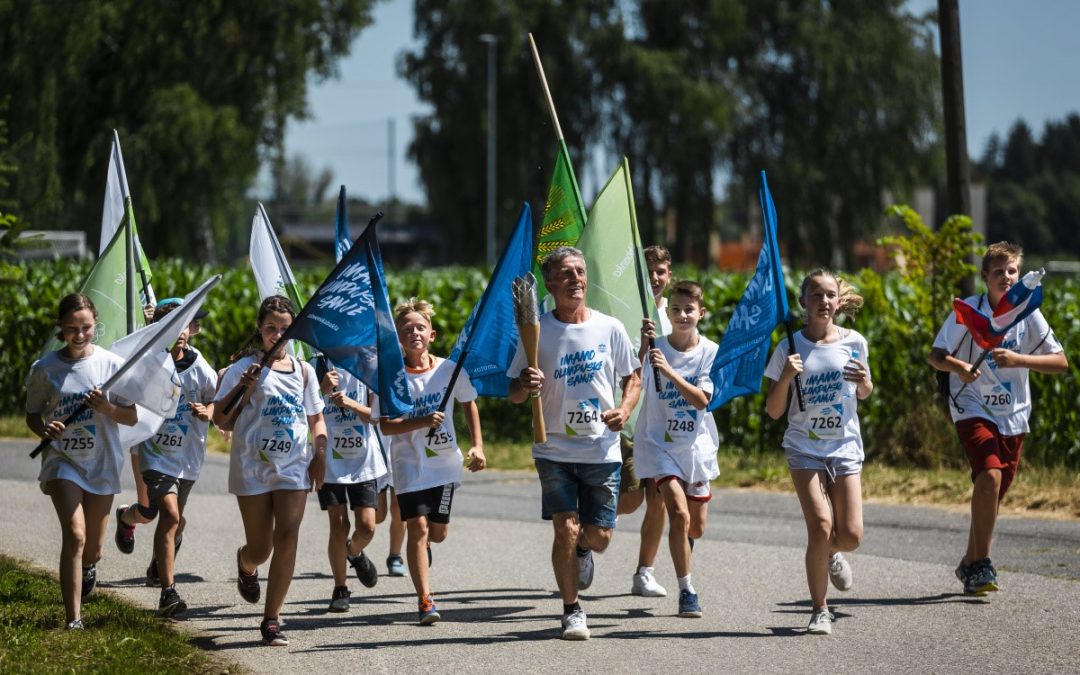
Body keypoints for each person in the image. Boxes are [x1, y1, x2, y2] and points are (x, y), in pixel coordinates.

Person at [508, 246, 642, 640]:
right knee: (564, 527)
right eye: (565, 273)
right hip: (553, 449)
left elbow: (632, 377)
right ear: (549, 284)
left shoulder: (609, 327)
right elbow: (513, 391)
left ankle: (583, 550)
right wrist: (523, 384)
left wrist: (624, 409)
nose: (575, 279)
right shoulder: (537, 330)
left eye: (580, 272)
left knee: (598, 537)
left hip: (601, 448)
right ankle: (572, 610)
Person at [929, 242, 1067, 596]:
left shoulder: (1026, 312)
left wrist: (1020, 360)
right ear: (984, 278)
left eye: (1012, 271)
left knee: (994, 492)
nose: (1006, 277)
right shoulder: (969, 311)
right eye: (998, 272)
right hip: (971, 404)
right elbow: (936, 355)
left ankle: (968, 561)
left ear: (1019, 275)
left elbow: (1060, 362)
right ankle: (983, 563)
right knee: (989, 477)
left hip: (1014, 413)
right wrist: (960, 367)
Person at [213, 295, 327, 646]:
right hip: (252, 466)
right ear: (260, 330)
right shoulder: (242, 368)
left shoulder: (304, 370)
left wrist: (320, 451)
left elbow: (316, 419)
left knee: (288, 535)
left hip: (293, 466)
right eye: (270, 329)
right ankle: (246, 564)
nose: (277, 335)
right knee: (261, 547)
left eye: (284, 329)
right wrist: (244, 388)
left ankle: (272, 618)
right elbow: (221, 419)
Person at [764, 269, 872, 636]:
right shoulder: (789, 348)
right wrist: (786, 378)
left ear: (838, 302)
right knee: (821, 526)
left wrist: (866, 384)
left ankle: (828, 553)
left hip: (844, 445)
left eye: (830, 295)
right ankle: (819, 610)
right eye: (816, 295)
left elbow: (864, 392)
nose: (823, 301)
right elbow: (774, 411)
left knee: (852, 535)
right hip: (803, 447)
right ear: (803, 303)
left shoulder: (855, 342)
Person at [25, 293, 138, 629]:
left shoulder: (111, 366)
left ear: (95, 325)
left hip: (102, 461)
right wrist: (45, 428)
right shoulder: (44, 369)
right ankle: (74, 619)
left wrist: (107, 408)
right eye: (71, 327)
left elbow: (131, 417)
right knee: (74, 535)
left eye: (86, 327)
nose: (79, 334)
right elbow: (32, 414)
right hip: (63, 462)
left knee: (92, 549)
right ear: (61, 327)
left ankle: (89, 566)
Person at [376, 298, 486, 625]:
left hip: (444, 465)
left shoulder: (450, 371)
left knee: (437, 534)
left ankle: (422, 552)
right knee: (418, 528)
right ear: (399, 339)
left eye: (420, 327)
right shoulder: (392, 378)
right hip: (409, 466)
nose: (414, 333)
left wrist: (477, 445)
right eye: (406, 329)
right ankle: (425, 599)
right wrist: (421, 421)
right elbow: (385, 425)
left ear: (432, 335)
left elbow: (468, 404)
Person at [633, 280, 719, 618]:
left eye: (689, 310)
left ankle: (683, 545)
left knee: (694, 527)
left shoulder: (710, 352)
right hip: (658, 445)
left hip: (695, 448)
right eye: (676, 310)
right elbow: (632, 376)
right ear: (667, 313)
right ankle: (687, 591)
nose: (682, 315)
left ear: (701, 313)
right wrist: (642, 347)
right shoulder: (655, 347)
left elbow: (701, 400)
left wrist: (668, 372)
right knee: (678, 514)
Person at [130, 298, 216, 617]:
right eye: (172, 326)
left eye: (185, 325)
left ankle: (158, 565)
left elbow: (215, 399)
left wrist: (209, 412)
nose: (180, 332)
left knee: (174, 520)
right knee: (169, 515)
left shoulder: (199, 365)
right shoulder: (148, 362)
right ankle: (168, 594)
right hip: (154, 454)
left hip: (188, 457)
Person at [617, 244, 673, 599]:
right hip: (633, 417)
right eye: (648, 272)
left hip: (665, 421)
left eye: (661, 272)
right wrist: (641, 344)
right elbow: (628, 367)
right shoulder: (625, 311)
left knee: (659, 498)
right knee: (631, 499)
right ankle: (589, 535)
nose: (655, 279)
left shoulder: (677, 313)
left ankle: (644, 572)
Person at [315, 356, 387, 612]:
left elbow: (378, 416)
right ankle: (340, 588)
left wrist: (352, 404)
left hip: (363, 461)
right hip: (329, 460)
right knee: (338, 525)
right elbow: (303, 413)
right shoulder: (316, 365)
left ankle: (354, 552)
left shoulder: (368, 365)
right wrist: (320, 389)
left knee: (367, 526)